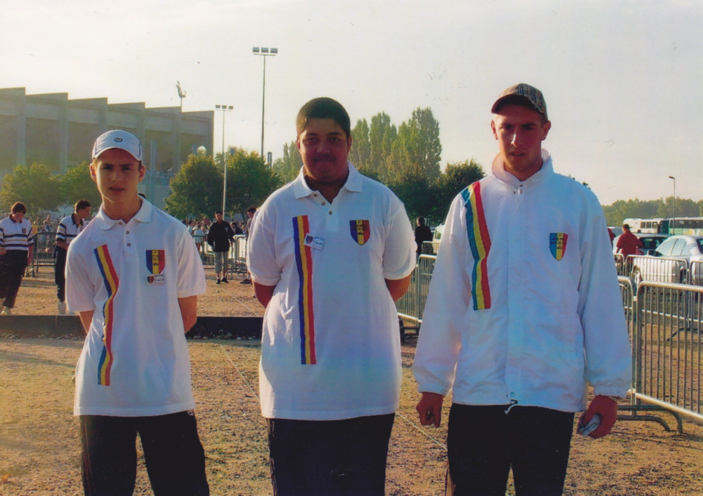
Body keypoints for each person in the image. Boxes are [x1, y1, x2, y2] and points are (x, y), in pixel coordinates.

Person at [413, 84, 632, 495]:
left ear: (546, 129)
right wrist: (432, 382)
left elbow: (599, 300)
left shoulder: (578, 203)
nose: (517, 139)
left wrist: (608, 388)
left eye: (528, 127)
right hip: (479, 393)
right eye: (507, 127)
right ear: (492, 129)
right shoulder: (468, 203)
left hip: (548, 395)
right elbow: (446, 299)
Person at [247, 97, 416, 495]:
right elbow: (265, 289)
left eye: (334, 138)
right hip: (294, 393)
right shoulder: (276, 207)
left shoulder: (383, 202)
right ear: (297, 144)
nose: (323, 148)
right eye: (312, 139)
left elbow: (396, 282)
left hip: (366, 391)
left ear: (350, 143)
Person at [65, 129, 209, 496]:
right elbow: (90, 324)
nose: (116, 177)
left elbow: (187, 315)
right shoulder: (82, 247)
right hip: (102, 395)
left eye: (126, 168)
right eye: (107, 167)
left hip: (165, 391)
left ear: (142, 172)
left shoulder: (173, 233)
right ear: (92, 171)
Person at [55, 200, 92, 315]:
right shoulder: (65, 222)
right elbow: (59, 241)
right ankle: (62, 304)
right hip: (64, 255)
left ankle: (72, 307)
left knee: (75, 281)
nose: (88, 213)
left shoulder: (84, 224)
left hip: (78, 257)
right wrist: (72, 250)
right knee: (62, 280)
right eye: (87, 211)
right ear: (80, 210)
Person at [0, 202, 34, 315]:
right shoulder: (3, 224)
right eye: (18, 214)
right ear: (12, 213)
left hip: (21, 256)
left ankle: (8, 306)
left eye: (22, 214)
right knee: (4, 281)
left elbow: (30, 243)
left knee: (16, 282)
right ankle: (1, 301)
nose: (20, 217)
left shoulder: (27, 224)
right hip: (7, 256)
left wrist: (30, 257)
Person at [206, 210, 234, 284]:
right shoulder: (213, 226)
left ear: (222, 216)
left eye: (220, 215)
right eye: (217, 215)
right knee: (218, 261)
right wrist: (211, 245)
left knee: (225, 262)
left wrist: (231, 239)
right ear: (215, 216)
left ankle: (224, 276)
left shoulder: (226, 224)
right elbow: (210, 237)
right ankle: (218, 276)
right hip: (217, 245)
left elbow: (230, 233)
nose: (218, 217)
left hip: (225, 245)